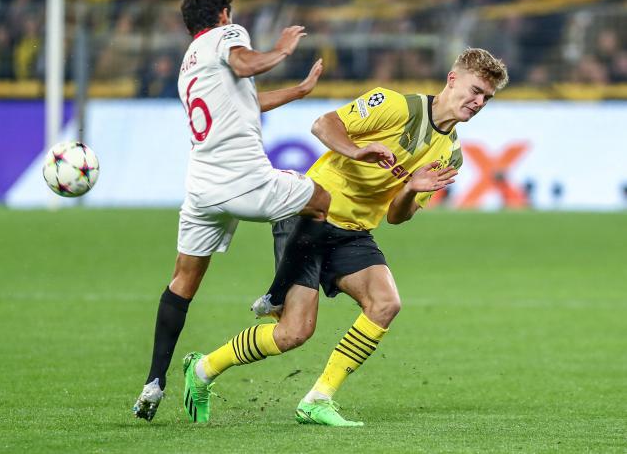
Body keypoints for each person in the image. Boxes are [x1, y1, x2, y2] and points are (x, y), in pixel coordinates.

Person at [182, 47, 509, 426]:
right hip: (308, 214)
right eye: (474, 90)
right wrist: (356, 151)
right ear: (452, 79)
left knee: (385, 304)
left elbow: (397, 217)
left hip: (354, 231)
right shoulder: (393, 104)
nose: (478, 101)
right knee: (293, 333)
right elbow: (322, 125)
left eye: (486, 96)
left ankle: (318, 398)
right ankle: (203, 369)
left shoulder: (450, 155)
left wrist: (408, 190)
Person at [133, 0, 337, 421]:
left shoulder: (188, 65)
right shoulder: (227, 36)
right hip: (242, 178)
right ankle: (276, 294)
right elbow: (244, 65)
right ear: (224, 13)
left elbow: (245, 102)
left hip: (202, 186)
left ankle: (154, 383)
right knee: (321, 199)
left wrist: (297, 93)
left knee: (182, 282)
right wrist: (280, 51)